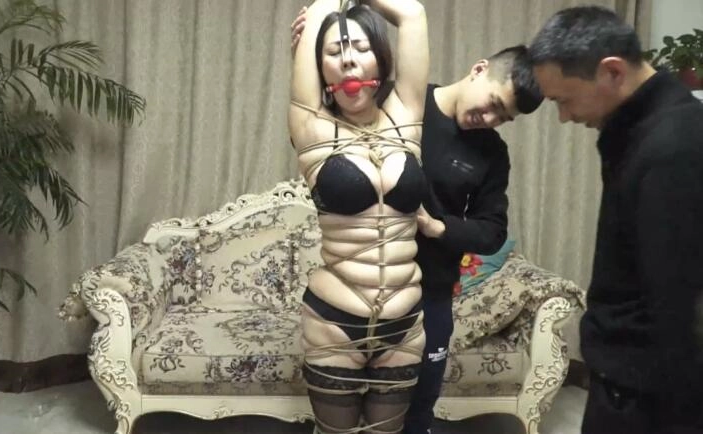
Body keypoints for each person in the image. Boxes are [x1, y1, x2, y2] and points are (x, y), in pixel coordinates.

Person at [292, 10, 544, 433]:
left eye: (504, 117)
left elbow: (492, 231)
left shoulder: (479, 147)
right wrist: (328, 22)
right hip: (341, 309)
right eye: (494, 104)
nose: (491, 118)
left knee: (417, 415)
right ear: (479, 70)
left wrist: (438, 227)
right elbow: (327, 82)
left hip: (423, 302)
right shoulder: (393, 107)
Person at [529, 6, 703, 434]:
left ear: (612, 71)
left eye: (564, 100)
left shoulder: (672, 148)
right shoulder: (634, 130)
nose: (564, 117)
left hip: (646, 399)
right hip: (623, 383)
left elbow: (680, 304)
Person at [288, 0, 430, 433]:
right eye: (334, 52)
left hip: (405, 326)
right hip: (334, 322)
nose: (349, 60)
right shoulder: (311, 125)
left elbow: (412, 14)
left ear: (382, 59)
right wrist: (322, 14)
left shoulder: (406, 117)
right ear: (320, 69)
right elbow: (319, 18)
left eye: (362, 48)